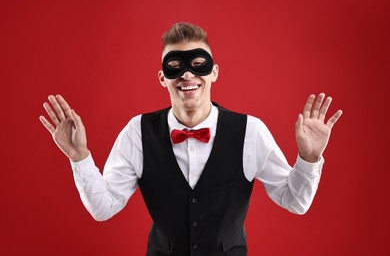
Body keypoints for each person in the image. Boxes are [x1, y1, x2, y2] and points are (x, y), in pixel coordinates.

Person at [39, 22, 342, 256]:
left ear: (214, 73)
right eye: (175, 66)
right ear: (162, 77)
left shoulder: (250, 131)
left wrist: (309, 159)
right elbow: (104, 207)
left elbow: (294, 202)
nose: (187, 75)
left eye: (198, 65)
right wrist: (80, 157)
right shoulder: (137, 132)